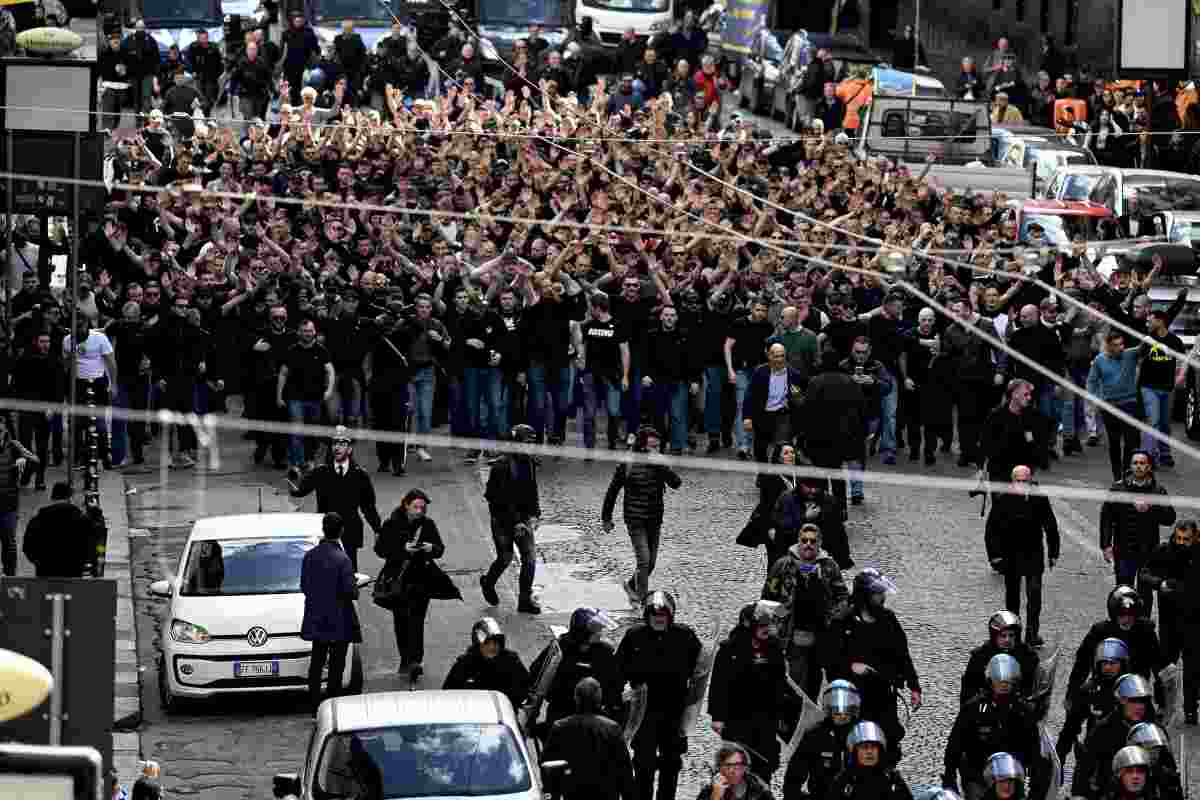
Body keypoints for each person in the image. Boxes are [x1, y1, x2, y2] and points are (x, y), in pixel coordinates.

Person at [615, 590, 702, 800]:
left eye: (663, 617)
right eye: (655, 617)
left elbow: (699, 670)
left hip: (673, 711)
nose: (659, 620)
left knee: (671, 764)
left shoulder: (685, 636)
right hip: (643, 713)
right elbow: (618, 669)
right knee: (643, 763)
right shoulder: (634, 636)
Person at [829, 568, 921, 764]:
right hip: (855, 697)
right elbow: (828, 659)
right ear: (865, 596)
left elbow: (902, 654)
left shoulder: (888, 619)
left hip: (883, 694)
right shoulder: (843, 621)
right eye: (877, 594)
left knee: (888, 745)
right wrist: (849, 666)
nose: (882, 597)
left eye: (882, 593)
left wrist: (914, 687)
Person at [761, 522, 849, 701]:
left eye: (813, 541)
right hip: (793, 635)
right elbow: (768, 597)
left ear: (819, 544)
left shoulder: (829, 567)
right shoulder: (782, 565)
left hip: (821, 635)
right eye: (804, 540)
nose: (808, 544)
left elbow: (842, 595)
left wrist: (834, 616)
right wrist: (776, 623)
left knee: (814, 681)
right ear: (798, 542)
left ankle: (810, 720)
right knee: (796, 683)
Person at [707, 600, 791, 781]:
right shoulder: (730, 649)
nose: (766, 629)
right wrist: (717, 716)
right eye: (761, 625)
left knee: (765, 765)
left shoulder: (774, 648)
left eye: (768, 625)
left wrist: (783, 714)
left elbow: (780, 683)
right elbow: (719, 684)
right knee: (736, 766)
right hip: (737, 718)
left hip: (766, 718)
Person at [601, 425, 683, 607]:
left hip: (654, 518)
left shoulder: (660, 463)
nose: (654, 450)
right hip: (635, 518)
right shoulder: (628, 463)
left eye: (657, 446)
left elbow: (676, 483)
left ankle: (631, 585)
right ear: (641, 446)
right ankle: (642, 601)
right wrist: (606, 518)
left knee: (651, 563)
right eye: (651, 447)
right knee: (644, 561)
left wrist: (661, 465)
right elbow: (612, 491)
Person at [942, 655, 1043, 800]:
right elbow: (956, 742)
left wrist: (1036, 777)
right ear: (990, 681)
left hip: (1011, 776)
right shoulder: (973, 708)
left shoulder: (1023, 711)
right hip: (978, 775)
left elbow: (1033, 746)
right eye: (999, 681)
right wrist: (949, 774)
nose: (1003, 685)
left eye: (1007, 682)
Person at [374, 489, 447, 683]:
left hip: (421, 581)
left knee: (416, 621)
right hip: (398, 580)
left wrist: (431, 549)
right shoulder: (391, 524)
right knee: (401, 621)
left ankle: (415, 660)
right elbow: (380, 550)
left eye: (422, 507)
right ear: (406, 505)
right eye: (416, 506)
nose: (419, 511)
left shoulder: (428, 525)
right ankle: (405, 657)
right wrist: (401, 549)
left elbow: (440, 549)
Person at [984, 465, 1060, 646]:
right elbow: (992, 530)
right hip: (1011, 555)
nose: (1022, 484)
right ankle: (1014, 633)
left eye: (1025, 481)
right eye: (1018, 481)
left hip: (1033, 554)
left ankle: (1032, 634)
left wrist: (1053, 552)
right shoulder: (1003, 499)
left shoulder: (1039, 499)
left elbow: (1050, 526)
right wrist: (995, 556)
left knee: (1034, 596)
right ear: (1012, 481)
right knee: (1012, 598)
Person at [289, 426, 383, 571]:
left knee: (349, 574)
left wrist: (377, 530)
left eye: (342, 444)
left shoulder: (360, 475)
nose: (337, 448)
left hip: (350, 531)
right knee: (325, 573)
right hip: (326, 532)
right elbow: (299, 491)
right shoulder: (321, 472)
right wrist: (293, 480)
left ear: (350, 449)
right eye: (334, 444)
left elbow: (368, 506)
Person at [1101, 451, 1177, 618]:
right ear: (1130, 466)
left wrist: (1152, 508)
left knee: (1145, 594)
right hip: (1124, 550)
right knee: (1123, 591)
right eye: (1135, 463)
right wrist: (1106, 545)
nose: (1138, 466)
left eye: (1142, 463)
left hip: (1148, 552)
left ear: (1149, 466)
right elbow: (1107, 517)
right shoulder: (1118, 488)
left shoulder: (1158, 491)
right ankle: (1121, 627)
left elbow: (1170, 518)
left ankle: (1143, 628)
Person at [299, 513, 361, 711]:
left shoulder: (309, 556)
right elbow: (351, 591)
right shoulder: (342, 559)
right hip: (339, 619)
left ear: (324, 530)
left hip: (317, 617)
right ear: (341, 530)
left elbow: (305, 586)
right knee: (336, 665)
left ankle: (314, 703)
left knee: (316, 662)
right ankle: (333, 704)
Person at [1139, 519, 1197, 722]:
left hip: (1194, 621)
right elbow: (1144, 574)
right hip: (1169, 620)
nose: (1182, 543)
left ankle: (1191, 709)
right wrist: (1160, 583)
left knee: (1193, 668)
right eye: (1179, 538)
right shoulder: (1164, 550)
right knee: (1165, 665)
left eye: (1186, 539)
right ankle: (1163, 704)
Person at [481, 423, 542, 614]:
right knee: (505, 558)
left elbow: (532, 490)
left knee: (530, 560)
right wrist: (515, 522)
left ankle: (524, 600)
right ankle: (488, 582)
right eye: (526, 443)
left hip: (523, 520)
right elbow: (495, 499)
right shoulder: (501, 467)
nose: (530, 447)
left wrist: (535, 514)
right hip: (502, 521)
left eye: (532, 443)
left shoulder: (530, 463)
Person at [542, 677, 637, 800]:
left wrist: (553, 791)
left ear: (576, 698)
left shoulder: (560, 727)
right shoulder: (612, 729)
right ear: (599, 699)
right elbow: (625, 771)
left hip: (573, 794)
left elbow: (547, 764)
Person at [1066, 586, 1166, 702]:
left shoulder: (1146, 631)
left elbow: (1158, 666)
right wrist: (1071, 693)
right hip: (1105, 688)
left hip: (1136, 690)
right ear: (1114, 614)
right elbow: (1082, 663)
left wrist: (1162, 702)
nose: (1127, 619)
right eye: (1122, 615)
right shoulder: (1100, 631)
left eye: (1131, 615)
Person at [530, 607, 622, 733]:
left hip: (594, 716)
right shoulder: (559, 648)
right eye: (596, 630)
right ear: (583, 632)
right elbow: (538, 677)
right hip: (561, 711)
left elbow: (615, 683)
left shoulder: (604, 652)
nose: (600, 633)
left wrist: (613, 709)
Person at [1073, 674, 1158, 800]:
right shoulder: (1103, 730)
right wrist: (1079, 793)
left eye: (1142, 701)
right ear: (1122, 701)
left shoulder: (1154, 731)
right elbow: (1085, 765)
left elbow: (1166, 766)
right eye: (1133, 701)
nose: (1139, 706)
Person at [782, 680, 861, 800]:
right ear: (828, 709)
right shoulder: (815, 735)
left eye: (847, 709)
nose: (842, 715)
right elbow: (795, 775)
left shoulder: (863, 734)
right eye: (836, 710)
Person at [1058, 638, 1132, 765]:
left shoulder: (1132, 689)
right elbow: (1071, 726)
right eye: (1105, 663)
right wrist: (1060, 756)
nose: (1108, 667)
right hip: (1094, 753)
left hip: (1126, 754)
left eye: (1113, 663)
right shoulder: (1089, 690)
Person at [277, 318, 334, 476]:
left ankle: (309, 461)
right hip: (294, 397)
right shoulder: (291, 350)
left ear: (314, 332)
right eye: (304, 331)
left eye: (310, 331)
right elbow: (283, 373)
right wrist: (279, 396)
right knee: (297, 431)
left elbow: (330, 370)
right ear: (299, 332)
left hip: (315, 398)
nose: (307, 334)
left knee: (311, 432)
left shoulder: (322, 351)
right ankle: (296, 464)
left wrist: (329, 390)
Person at [443, 617, 531, 711]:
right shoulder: (464, 664)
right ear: (478, 645)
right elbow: (447, 695)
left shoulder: (511, 661)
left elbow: (525, 690)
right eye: (487, 643)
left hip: (502, 714)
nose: (492, 647)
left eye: (496, 642)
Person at [743, 342, 806, 465]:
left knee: (782, 449)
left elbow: (801, 398)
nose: (779, 359)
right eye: (776, 356)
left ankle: (781, 478)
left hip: (782, 416)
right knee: (760, 451)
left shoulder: (794, 374)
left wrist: (797, 397)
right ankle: (764, 478)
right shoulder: (760, 372)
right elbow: (749, 396)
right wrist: (747, 417)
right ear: (769, 356)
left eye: (782, 356)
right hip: (763, 415)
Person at [960, 611, 1041, 706]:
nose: (1007, 640)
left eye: (1011, 635)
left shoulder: (1027, 655)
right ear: (995, 636)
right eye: (1003, 636)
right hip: (987, 706)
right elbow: (969, 688)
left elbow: (1033, 686)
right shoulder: (980, 655)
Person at [22, 482, 95, 578]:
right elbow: (92, 544)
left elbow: (28, 547)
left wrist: (39, 563)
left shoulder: (39, 519)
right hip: (73, 573)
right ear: (70, 498)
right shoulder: (81, 519)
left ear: (52, 498)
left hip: (45, 573)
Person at [824, 721, 913, 800]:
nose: (869, 752)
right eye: (864, 747)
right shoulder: (844, 783)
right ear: (855, 752)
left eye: (873, 747)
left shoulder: (893, 781)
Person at [0, 421, 35, 577]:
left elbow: (35, 460)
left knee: (9, 542)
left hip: (8, 504)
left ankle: (10, 576)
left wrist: (23, 459)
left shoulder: (14, 445)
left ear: (4, 430)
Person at [693, 742, 774, 800]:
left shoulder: (760, 790)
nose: (732, 771)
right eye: (727, 765)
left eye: (737, 765)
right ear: (719, 768)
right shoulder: (708, 791)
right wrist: (715, 796)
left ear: (745, 767)